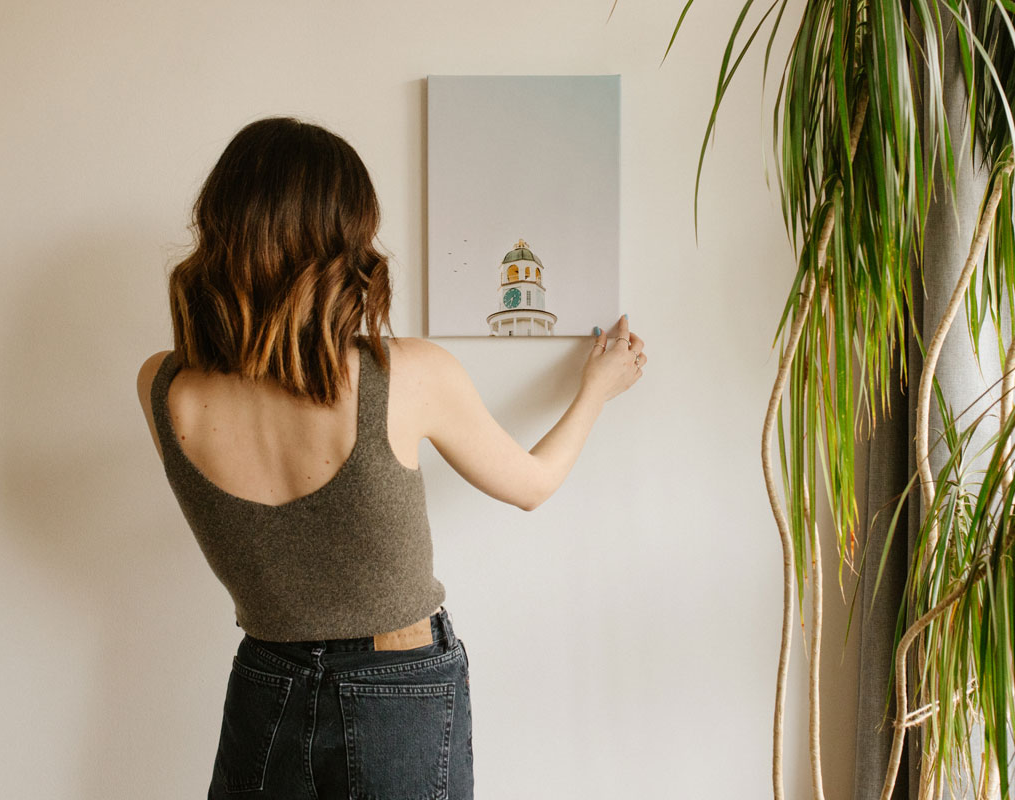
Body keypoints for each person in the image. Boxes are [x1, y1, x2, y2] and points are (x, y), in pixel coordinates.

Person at [132, 116, 647, 800]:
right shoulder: (406, 374)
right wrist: (596, 389)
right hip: (398, 686)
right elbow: (533, 484)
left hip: (265, 681)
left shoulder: (163, 386)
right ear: (339, 239)